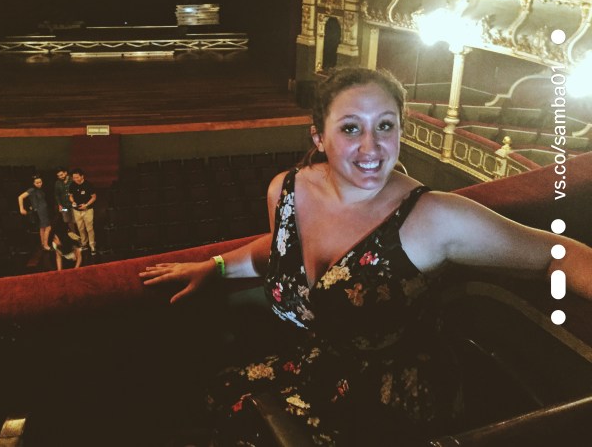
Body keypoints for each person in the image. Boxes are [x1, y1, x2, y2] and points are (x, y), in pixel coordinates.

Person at [139, 67, 592, 446]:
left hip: (393, 400)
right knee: (214, 396)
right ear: (319, 137)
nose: (371, 148)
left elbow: (561, 255)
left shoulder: (433, 217)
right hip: (314, 366)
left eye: (386, 126)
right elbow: (280, 247)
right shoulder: (288, 189)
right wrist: (215, 267)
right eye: (351, 127)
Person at [18, 175, 52, 251]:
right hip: (39, 211)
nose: (39, 184)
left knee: (42, 228)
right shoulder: (31, 190)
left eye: (40, 182)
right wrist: (21, 208)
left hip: (43, 210)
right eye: (37, 183)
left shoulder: (40, 189)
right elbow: (20, 197)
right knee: (48, 227)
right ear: (33, 183)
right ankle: (46, 245)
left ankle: (43, 244)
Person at [69, 168, 97, 256]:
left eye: (77, 177)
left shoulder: (88, 185)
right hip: (76, 211)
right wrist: (72, 201)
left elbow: (94, 197)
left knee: (89, 228)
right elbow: (70, 196)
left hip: (87, 210)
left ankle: (92, 245)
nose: (75, 179)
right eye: (74, 177)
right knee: (80, 228)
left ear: (82, 176)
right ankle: (84, 244)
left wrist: (86, 205)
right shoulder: (72, 185)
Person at [54, 166, 76, 232]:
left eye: (61, 175)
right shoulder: (57, 183)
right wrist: (59, 205)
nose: (61, 177)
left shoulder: (72, 180)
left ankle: (81, 237)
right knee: (67, 220)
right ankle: (74, 236)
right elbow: (57, 195)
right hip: (64, 206)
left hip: (73, 205)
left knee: (75, 220)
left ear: (65, 173)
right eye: (58, 176)